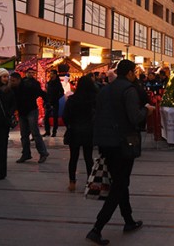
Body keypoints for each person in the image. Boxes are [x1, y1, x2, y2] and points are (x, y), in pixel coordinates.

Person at [86, 60, 154, 245]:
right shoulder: (129, 90)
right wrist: (146, 111)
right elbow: (135, 117)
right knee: (120, 184)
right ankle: (97, 228)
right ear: (131, 73)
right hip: (122, 142)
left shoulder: (105, 89)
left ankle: (129, 220)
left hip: (105, 142)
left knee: (120, 181)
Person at [63, 75, 97, 192]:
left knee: (73, 157)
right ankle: (90, 182)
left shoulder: (73, 99)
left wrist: (70, 125)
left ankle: (72, 182)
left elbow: (65, 116)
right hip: (89, 131)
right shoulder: (94, 100)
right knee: (89, 158)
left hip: (74, 131)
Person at [10, 69, 49, 164]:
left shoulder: (29, 86)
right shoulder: (13, 88)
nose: (11, 82)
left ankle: (43, 153)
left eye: (13, 80)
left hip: (31, 110)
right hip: (22, 112)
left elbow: (42, 93)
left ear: (19, 80)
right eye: (11, 80)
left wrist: (47, 103)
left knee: (35, 132)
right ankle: (26, 153)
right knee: (24, 134)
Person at [43, 69, 64, 137]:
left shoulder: (58, 83)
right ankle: (47, 131)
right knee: (46, 117)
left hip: (55, 102)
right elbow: (47, 92)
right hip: (48, 102)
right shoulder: (49, 83)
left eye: (52, 73)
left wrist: (56, 98)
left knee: (55, 117)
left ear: (55, 75)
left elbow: (62, 92)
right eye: (50, 73)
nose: (50, 75)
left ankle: (54, 131)